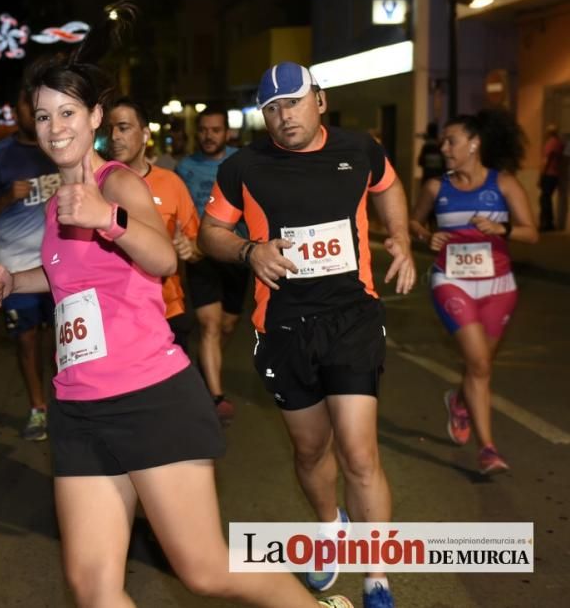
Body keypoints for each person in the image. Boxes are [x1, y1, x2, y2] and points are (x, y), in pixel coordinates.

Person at [0, 8, 353, 608]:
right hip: (78, 408)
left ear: (95, 117)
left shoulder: (119, 186)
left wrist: (108, 220)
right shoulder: (58, 202)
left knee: (204, 571)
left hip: (148, 397)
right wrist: (13, 281)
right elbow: (68, 281)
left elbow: (160, 259)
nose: (54, 128)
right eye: (44, 116)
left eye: (68, 113)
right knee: (94, 588)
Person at [199, 62, 416, 608]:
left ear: (319, 100)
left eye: (292, 103)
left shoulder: (359, 149)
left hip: (352, 318)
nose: (282, 116)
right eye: (271, 108)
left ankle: (376, 579)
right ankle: (330, 525)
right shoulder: (243, 167)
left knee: (359, 452)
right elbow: (211, 233)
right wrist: (251, 251)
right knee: (309, 450)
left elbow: (388, 186)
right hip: (284, 329)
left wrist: (402, 240)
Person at [409, 108, 538, 475]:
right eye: (443, 141)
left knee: (480, 364)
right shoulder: (437, 187)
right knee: (479, 365)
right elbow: (413, 221)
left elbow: (531, 232)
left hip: (499, 287)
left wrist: (503, 230)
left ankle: (459, 401)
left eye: (452, 141)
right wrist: (425, 234)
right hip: (452, 281)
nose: (444, 148)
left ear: (474, 143)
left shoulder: (504, 184)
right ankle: (488, 449)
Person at [0, 89, 59, 441]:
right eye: (28, 105)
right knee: (26, 341)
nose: (35, 111)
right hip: (16, 267)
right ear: (15, 109)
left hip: (60, 266)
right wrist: (7, 197)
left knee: (67, 342)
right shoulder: (1, 157)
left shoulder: (58, 146)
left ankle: (67, 405)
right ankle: (39, 408)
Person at [109, 96, 200, 353]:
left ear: (145, 133)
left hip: (167, 310)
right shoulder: (96, 186)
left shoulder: (171, 183)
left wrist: (189, 249)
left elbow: (197, 245)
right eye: (110, 128)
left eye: (124, 128)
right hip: (115, 314)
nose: (115, 136)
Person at [176, 107, 250, 421]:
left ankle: (208, 370)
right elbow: (177, 212)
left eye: (215, 130)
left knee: (227, 325)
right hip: (200, 255)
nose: (209, 136)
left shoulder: (241, 163)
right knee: (209, 324)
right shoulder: (186, 167)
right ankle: (216, 397)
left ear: (227, 132)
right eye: (204, 130)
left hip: (236, 254)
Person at [539, 124, 564, 231]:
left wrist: (541, 175)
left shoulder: (551, 143)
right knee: (547, 198)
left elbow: (547, 160)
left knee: (544, 199)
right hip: (556, 174)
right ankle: (549, 223)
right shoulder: (560, 143)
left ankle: (546, 224)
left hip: (549, 174)